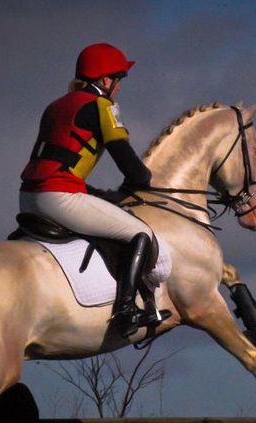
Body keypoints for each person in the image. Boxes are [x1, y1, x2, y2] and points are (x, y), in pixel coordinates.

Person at [19, 43, 168, 338]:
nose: (119, 87)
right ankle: (125, 311)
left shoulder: (55, 105)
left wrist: (98, 192)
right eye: (118, 79)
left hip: (28, 198)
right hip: (59, 197)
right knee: (141, 234)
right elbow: (132, 167)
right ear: (104, 80)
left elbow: (63, 160)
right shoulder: (102, 107)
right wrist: (140, 182)